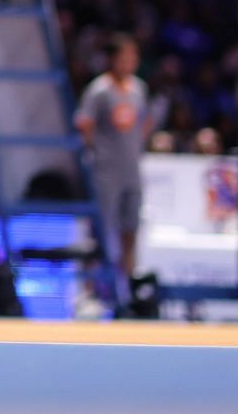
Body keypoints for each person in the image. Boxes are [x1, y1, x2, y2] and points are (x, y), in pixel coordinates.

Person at [75, 33, 152, 295]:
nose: (129, 62)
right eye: (123, 57)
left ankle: (127, 287)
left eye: (133, 57)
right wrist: (97, 153)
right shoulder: (99, 90)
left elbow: (142, 122)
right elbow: (85, 123)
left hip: (131, 169)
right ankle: (87, 288)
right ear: (111, 60)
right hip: (106, 171)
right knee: (99, 230)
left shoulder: (138, 88)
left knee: (130, 228)